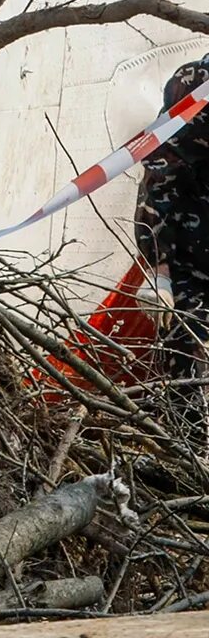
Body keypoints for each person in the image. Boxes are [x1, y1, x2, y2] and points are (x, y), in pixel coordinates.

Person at [135, 55, 209, 448]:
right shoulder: (198, 81)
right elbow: (161, 170)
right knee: (188, 384)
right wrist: (160, 267)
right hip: (193, 266)